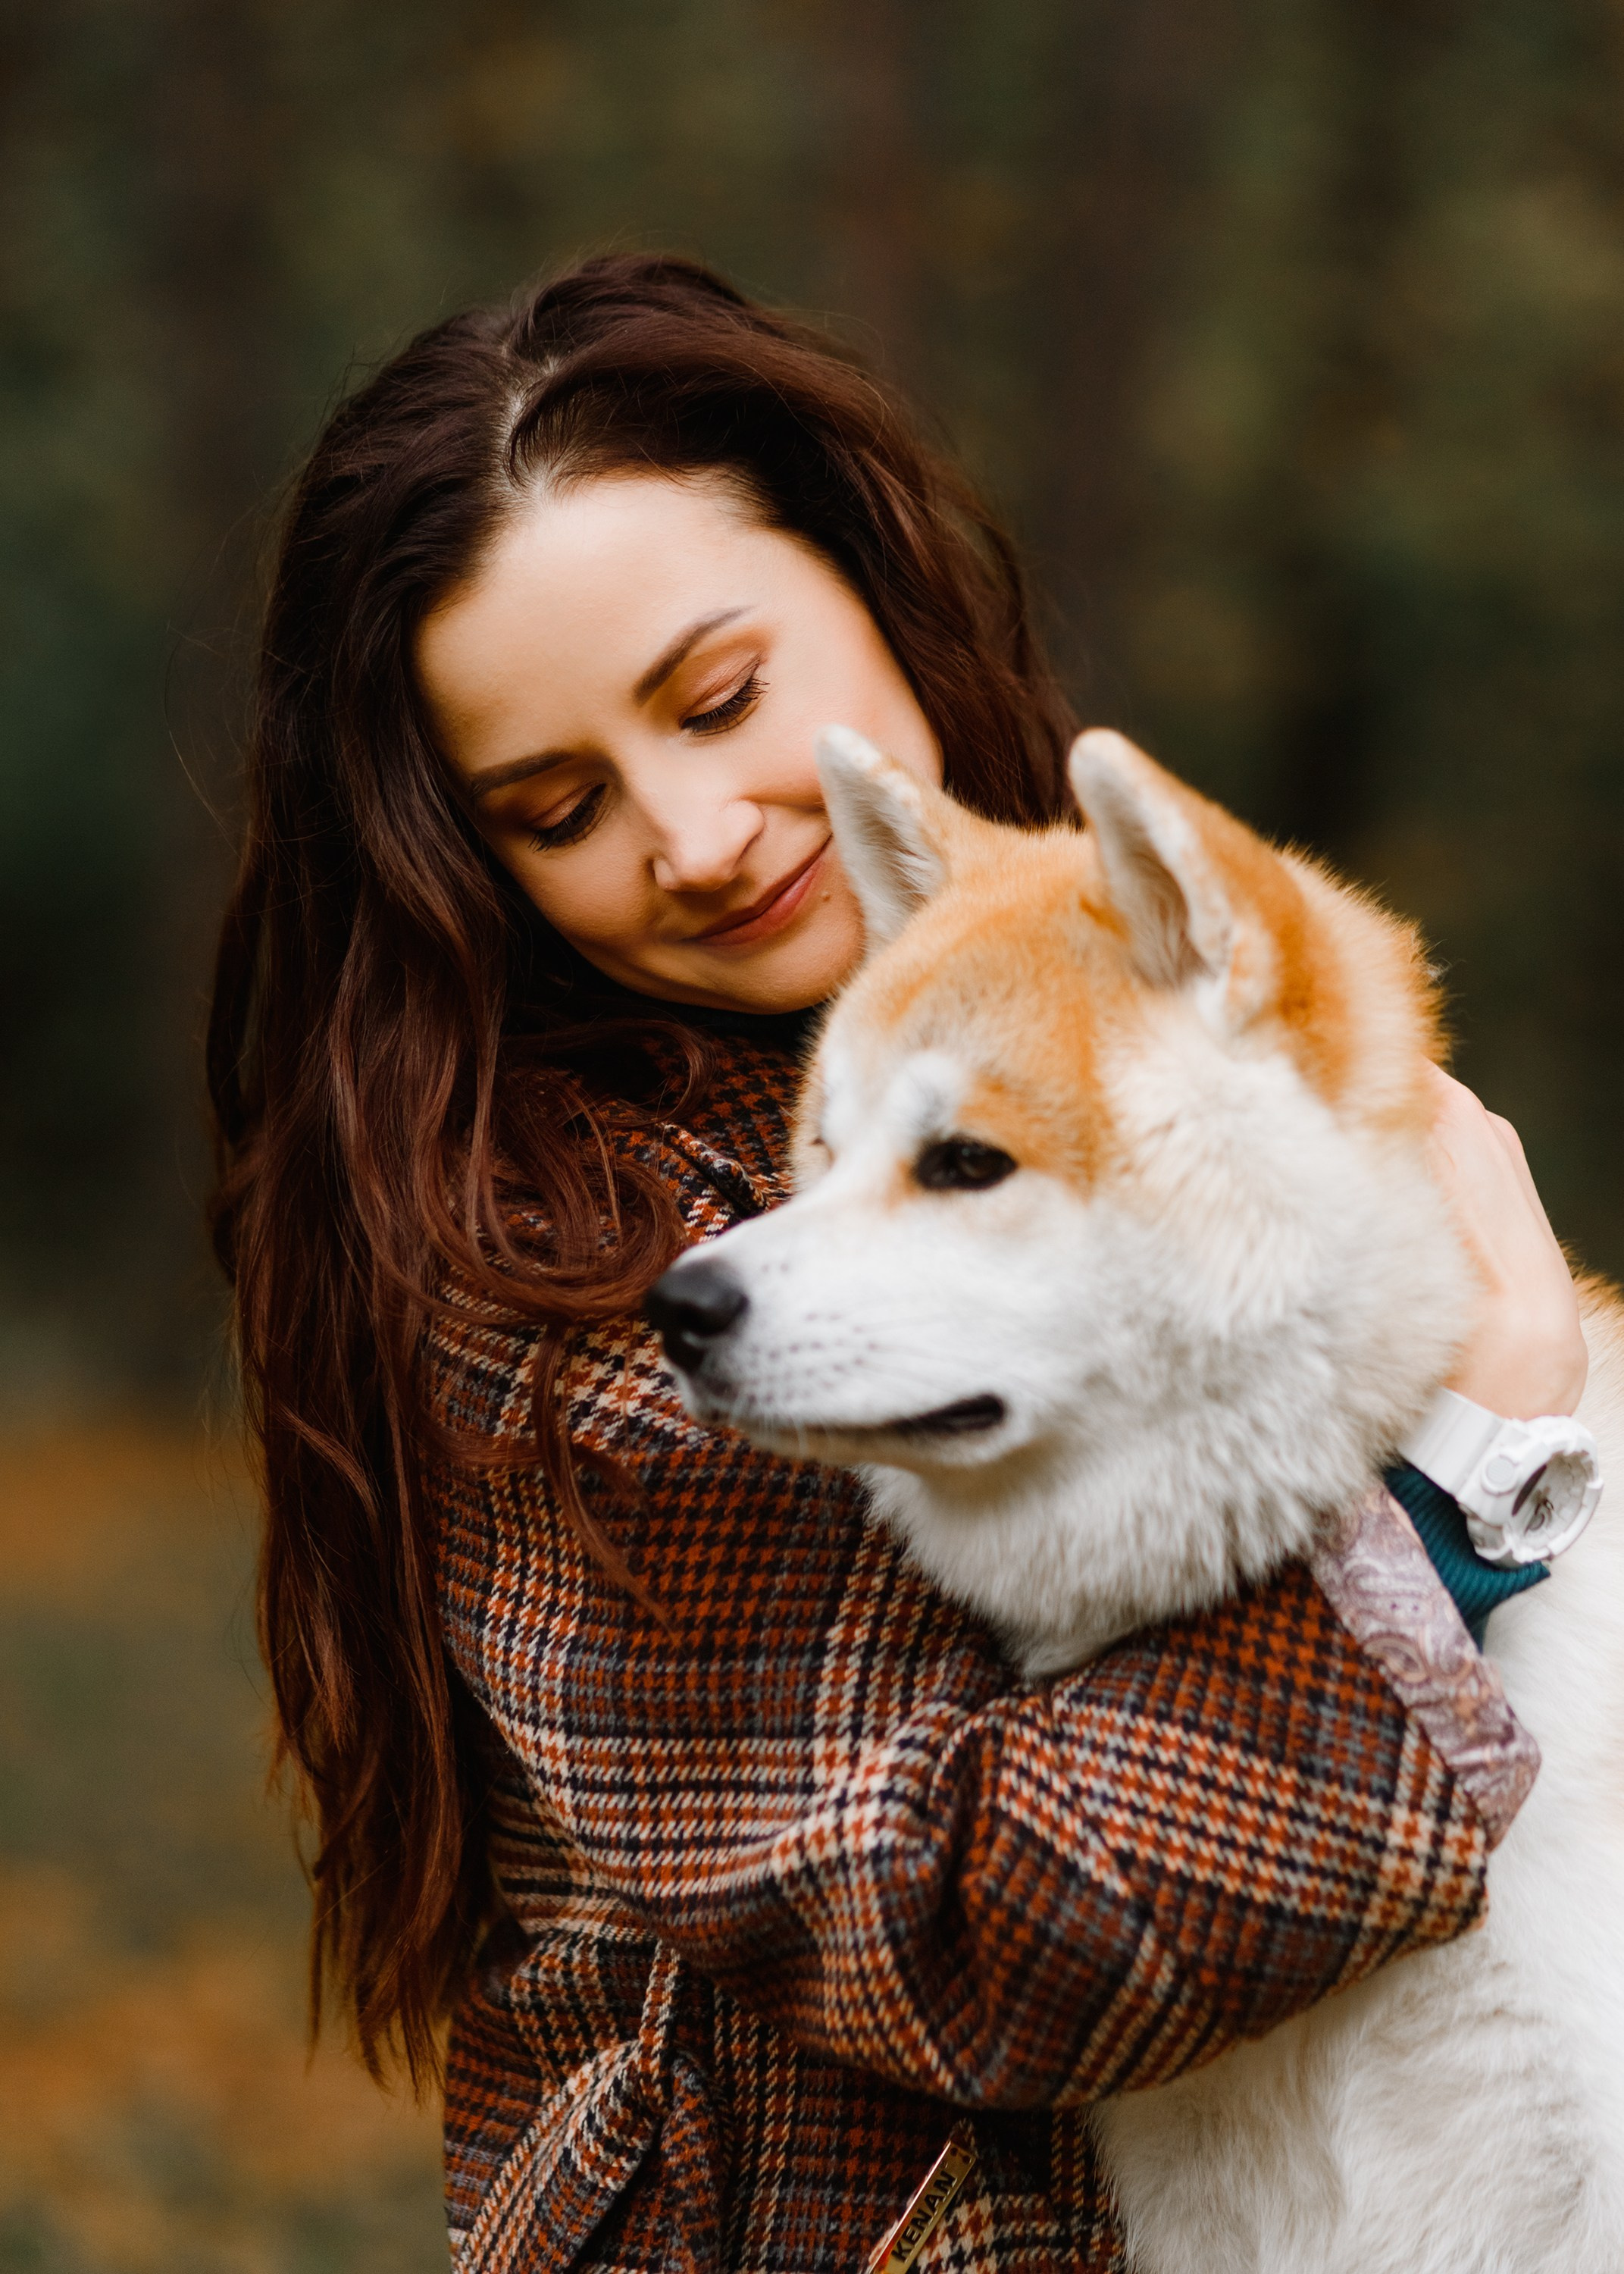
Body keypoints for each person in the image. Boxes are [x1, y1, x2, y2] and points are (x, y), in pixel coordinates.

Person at [208, 253, 1587, 2272]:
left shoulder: (1098, 981)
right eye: (559, 805)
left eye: (719, 696)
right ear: (468, 857)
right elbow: (976, 1934)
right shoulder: (560, 1271)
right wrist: (1473, 1466)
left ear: (867, 576)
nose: (688, 834)